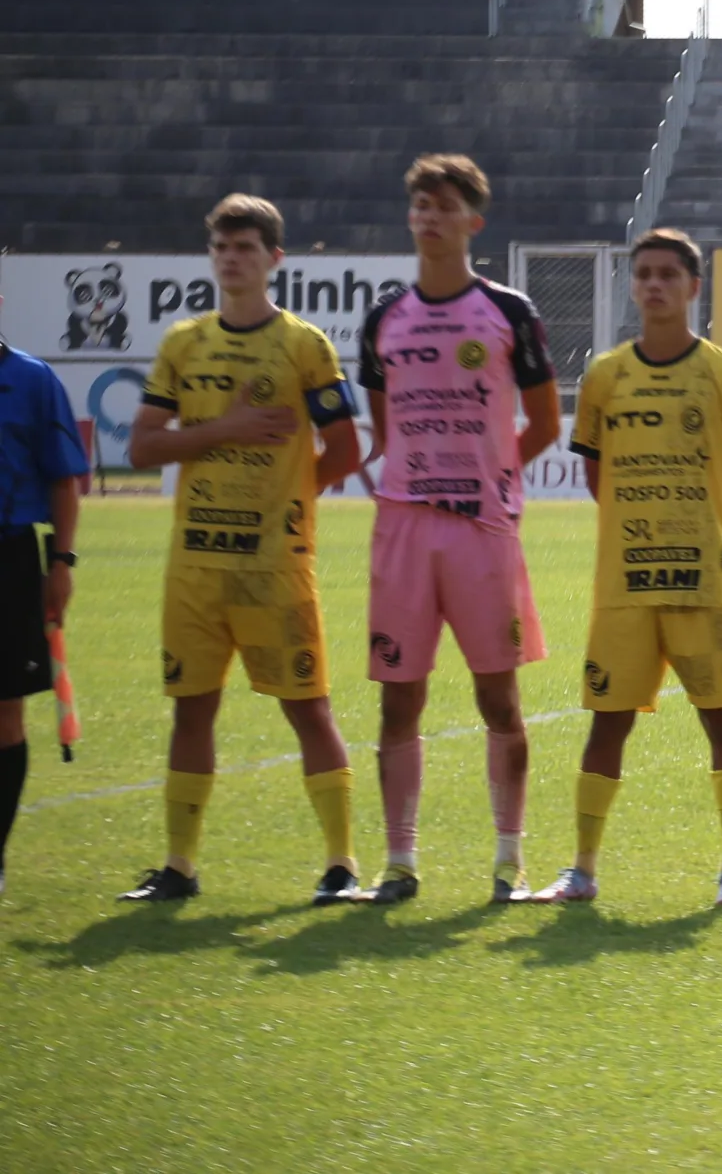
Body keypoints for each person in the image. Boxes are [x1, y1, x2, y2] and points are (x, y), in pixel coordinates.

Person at [122, 195, 365, 904]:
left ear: (274, 260)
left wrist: (289, 501)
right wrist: (225, 428)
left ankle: (342, 865)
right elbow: (141, 446)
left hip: (273, 566)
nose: (232, 258)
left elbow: (346, 449)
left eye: (247, 248)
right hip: (194, 564)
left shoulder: (304, 345)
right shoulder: (183, 343)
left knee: (308, 707)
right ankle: (179, 865)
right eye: (222, 247)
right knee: (191, 710)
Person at [531, 229, 722, 908]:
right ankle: (581, 869)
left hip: (703, 583)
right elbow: (595, 471)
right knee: (607, 721)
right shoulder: (607, 374)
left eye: (668, 274)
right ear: (633, 286)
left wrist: (715, 532)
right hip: (625, 584)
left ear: (694, 288)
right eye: (644, 274)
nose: (654, 285)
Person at [357, 154, 560, 906]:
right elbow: (385, 431)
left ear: (474, 221)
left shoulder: (508, 312)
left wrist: (495, 475)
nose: (430, 217)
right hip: (405, 527)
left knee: (498, 699)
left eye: (445, 206)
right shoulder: (384, 320)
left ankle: (510, 860)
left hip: (482, 529)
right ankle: (399, 861)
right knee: (397, 698)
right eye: (420, 205)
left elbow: (540, 422)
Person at [0, 289, 87, 899]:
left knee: (4, 710)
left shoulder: (32, 379)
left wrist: (61, 562)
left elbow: (63, 476)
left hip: (8, 556)